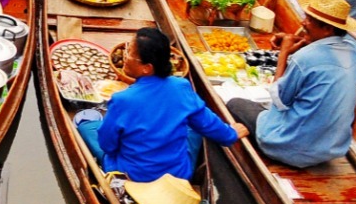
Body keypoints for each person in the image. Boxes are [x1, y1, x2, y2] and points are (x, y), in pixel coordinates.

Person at [74, 27, 244, 180]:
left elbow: (108, 145)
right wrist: (232, 134)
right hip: (178, 175)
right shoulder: (182, 86)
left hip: (133, 176)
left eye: (130, 54)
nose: (125, 57)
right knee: (194, 126)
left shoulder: (122, 100)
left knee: (86, 123)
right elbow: (209, 125)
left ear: (146, 68)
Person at [226, 0, 356, 169]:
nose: (303, 22)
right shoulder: (353, 52)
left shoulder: (306, 58)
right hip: (330, 149)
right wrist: (296, 40)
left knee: (235, 104)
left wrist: (284, 53)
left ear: (328, 29)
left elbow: (279, 98)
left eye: (310, 20)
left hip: (290, 147)